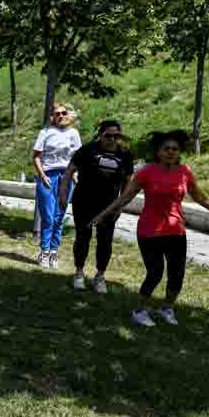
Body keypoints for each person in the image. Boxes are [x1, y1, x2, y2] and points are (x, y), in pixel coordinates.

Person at [91, 130, 209, 326]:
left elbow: (198, 196)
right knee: (155, 272)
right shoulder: (147, 172)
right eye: (167, 149)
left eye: (175, 149)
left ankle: (167, 308)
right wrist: (103, 215)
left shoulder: (185, 172)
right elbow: (126, 197)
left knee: (177, 273)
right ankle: (139, 310)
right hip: (149, 231)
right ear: (158, 152)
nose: (171, 152)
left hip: (176, 231)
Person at [59, 120, 133, 293]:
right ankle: (79, 273)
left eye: (116, 136)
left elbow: (128, 182)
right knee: (83, 237)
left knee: (105, 241)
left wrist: (120, 206)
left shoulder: (125, 155)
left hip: (109, 206)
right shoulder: (87, 150)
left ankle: (99, 276)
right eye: (108, 135)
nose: (112, 139)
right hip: (84, 202)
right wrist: (63, 194)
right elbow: (69, 171)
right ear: (100, 134)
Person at [32, 102, 82, 270]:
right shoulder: (45, 132)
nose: (61, 116)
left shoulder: (74, 133)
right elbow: (36, 157)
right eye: (57, 114)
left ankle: (54, 251)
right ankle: (44, 252)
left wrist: (74, 174)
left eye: (63, 113)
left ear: (68, 115)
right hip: (48, 175)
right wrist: (42, 175)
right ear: (52, 117)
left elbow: (78, 157)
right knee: (47, 215)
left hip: (66, 176)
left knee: (59, 216)